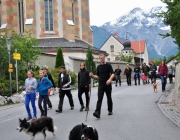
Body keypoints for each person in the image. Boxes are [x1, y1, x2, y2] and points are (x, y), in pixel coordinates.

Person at [89, 54, 115, 118]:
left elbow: (113, 74)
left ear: (104, 58)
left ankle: (110, 110)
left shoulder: (108, 66)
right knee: (99, 99)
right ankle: (97, 112)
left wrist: (109, 80)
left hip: (107, 84)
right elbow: (98, 76)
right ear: (99, 59)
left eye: (103, 58)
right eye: (100, 58)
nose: (102, 59)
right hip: (101, 85)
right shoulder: (98, 67)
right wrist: (92, 76)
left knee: (109, 97)